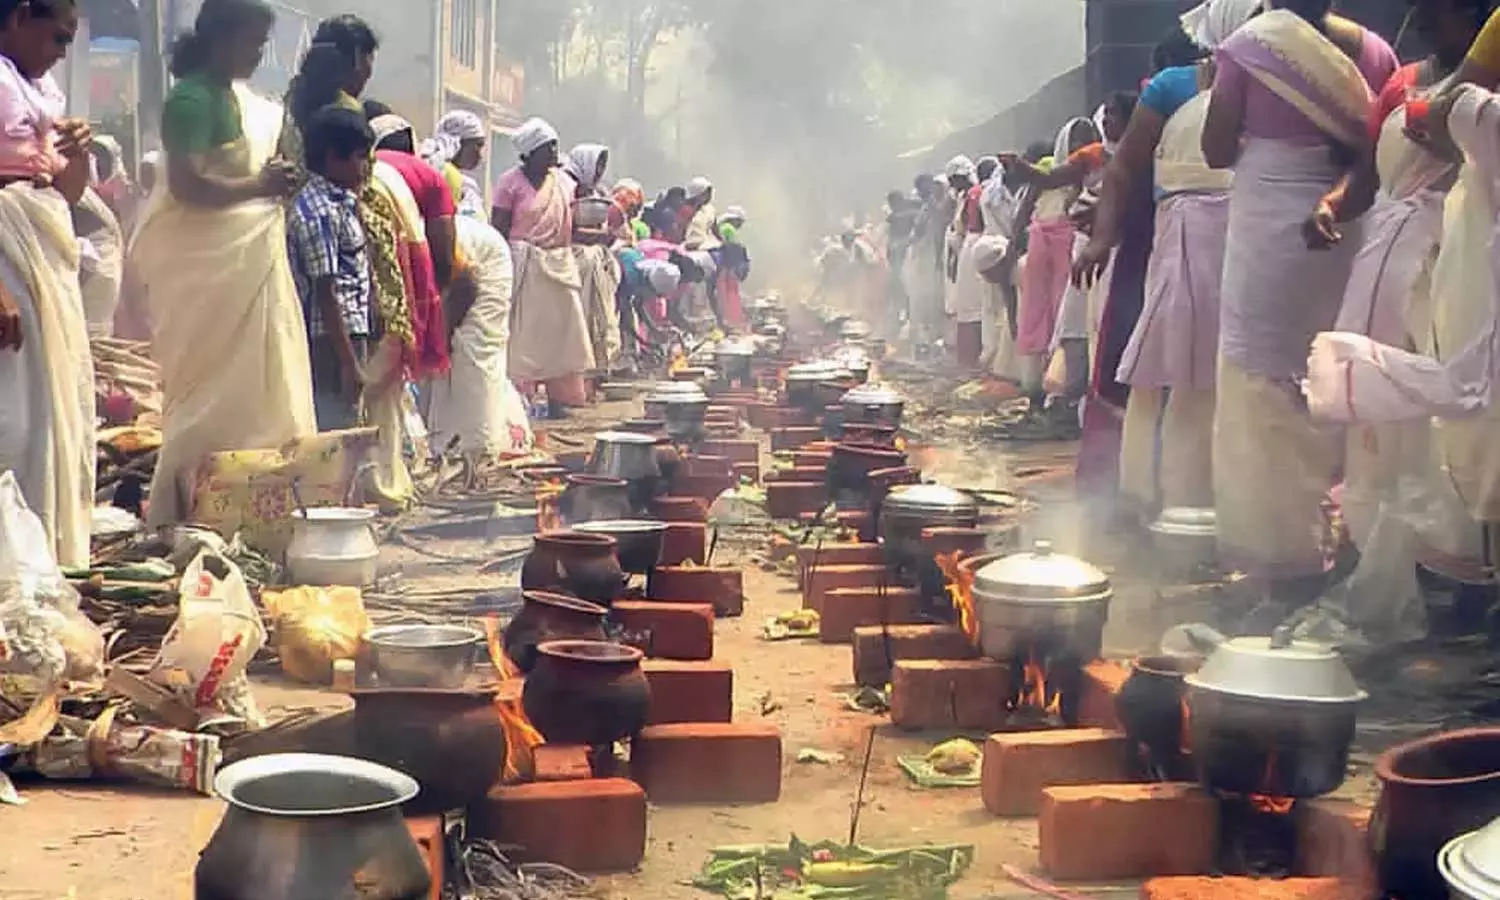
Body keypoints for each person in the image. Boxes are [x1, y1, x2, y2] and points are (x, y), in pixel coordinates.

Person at [1200, 0, 1396, 614]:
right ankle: (1352, 545)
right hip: (1347, 226)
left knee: (1266, 394)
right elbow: (1376, 151)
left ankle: (1285, 570)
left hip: (1268, 233)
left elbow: (1215, 149)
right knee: (1340, 383)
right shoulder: (1374, 51)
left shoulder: (1251, 45)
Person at [1301, 0, 1485, 555]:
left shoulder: (1486, 91)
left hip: (1461, 258)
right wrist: (1331, 206)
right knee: (1377, 394)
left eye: (1441, 9)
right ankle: (1373, 539)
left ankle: (1451, 555)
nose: (1428, 19)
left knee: (1447, 403)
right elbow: (1367, 173)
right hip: (1386, 256)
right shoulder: (1402, 83)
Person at [131, 0, 311, 531]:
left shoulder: (242, 101)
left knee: (259, 385)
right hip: (205, 267)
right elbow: (188, 187)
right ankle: (182, 511)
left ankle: (257, 513)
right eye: (251, 43)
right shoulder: (189, 100)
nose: (258, 55)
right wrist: (261, 185)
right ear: (220, 38)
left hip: (247, 258)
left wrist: (270, 181)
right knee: (206, 395)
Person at [1076, 0, 1255, 518]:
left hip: (1252, 233)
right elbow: (1125, 168)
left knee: (1241, 372)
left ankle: (1235, 504)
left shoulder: (1276, 83)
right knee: (1171, 367)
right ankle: (1155, 496)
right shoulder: (1172, 86)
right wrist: (1100, 239)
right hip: (1184, 239)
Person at [0, 0, 96, 566]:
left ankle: (42, 556)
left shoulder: (43, 93)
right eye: (56, 37)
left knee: (53, 411)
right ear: (16, 20)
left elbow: (68, 195)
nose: (61, 52)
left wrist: (78, 154)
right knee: (13, 411)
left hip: (43, 251)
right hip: (7, 255)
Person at [491, 117, 594, 418]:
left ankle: (561, 398)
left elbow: (570, 224)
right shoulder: (509, 183)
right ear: (530, 152)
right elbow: (498, 227)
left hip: (558, 264)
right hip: (525, 267)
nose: (554, 153)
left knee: (563, 334)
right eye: (548, 147)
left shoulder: (563, 183)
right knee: (525, 335)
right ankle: (522, 400)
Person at [287, 105, 377, 429]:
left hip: (347, 335)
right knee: (337, 428)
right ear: (331, 158)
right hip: (332, 341)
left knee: (349, 425)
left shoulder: (340, 202)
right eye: (358, 157)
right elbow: (326, 293)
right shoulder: (319, 212)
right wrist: (349, 363)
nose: (365, 166)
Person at [425, 213, 533, 459]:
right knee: (443, 355)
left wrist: (445, 331)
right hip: (462, 272)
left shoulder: (433, 238)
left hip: (484, 265)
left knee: (472, 349)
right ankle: (446, 441)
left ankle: (478, 443)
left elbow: (466, 285)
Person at [562, 142, 622, 375]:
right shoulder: (566, 189)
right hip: (574, 261)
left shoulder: (598, 194)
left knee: (599, 319)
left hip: (596, 262)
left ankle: (596, 372)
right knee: (577, 321)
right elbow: (566, 229)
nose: (598, 173)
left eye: (601, 168)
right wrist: (597, 237)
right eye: (596, 166)